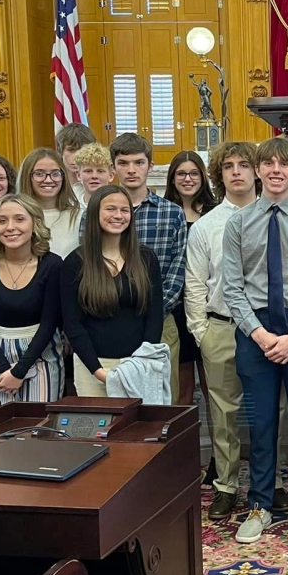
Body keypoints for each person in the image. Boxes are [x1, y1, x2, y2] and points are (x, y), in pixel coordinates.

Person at [222, 137, 288, 544]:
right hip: (255, 333)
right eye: (267, 164)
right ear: (257, 170)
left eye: (283, 164)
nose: (275, 171)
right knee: (261, 423)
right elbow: (233, 288)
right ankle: (260, 505)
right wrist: (262, 334)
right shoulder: (239, 222)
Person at [185, 141, 261, 520]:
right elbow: (196, 284)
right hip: (222, 328)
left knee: (271, 409)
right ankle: (227, 486)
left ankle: (272, 483)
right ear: (219, 176)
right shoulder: (206, 226)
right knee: (224, 413)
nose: (236, 172)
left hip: (266, 331)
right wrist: (202, 332)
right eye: (228, 166)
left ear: (257, 171)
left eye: (244, 165)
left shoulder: (274, 217)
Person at [62, 185, 164, 396]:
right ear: (94, 214)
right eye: (110, 209)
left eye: (124, 210)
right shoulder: (75, 263)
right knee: (97, 428)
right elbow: (72, 324)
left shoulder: (146, 258)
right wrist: (98, 371)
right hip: (93, 367)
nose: (118, 215)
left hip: (137, 366)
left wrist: (141, 362)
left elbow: (154, 316)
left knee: (138, 428)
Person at [108, 133, 187, 402]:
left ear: (150, 166)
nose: (131, 170)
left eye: (139, 162)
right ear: (113, 167)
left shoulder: (172, 213)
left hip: (161, 319)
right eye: (123, 163)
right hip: (112, 319)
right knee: (117, 400)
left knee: (163, 400)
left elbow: (178, 270)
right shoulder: (98, 213)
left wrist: (152, 311)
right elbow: (91, 266)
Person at [0, 193, 64, 402]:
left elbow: (50, 323)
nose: (10, 227)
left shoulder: (53, 265)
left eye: (19, 219)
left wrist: (19, 371)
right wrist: (4, 369)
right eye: (2, 221)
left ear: (34, 223)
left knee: (37, 429)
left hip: (39, 355)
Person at [164, 150, 216, 408]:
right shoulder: (164, 213)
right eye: (181, 173)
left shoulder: (216, 212)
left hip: (210, 308)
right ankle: (185, 447)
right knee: (181, 390)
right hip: (174, 310)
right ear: (172, 178)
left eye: (194, 173)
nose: (187, 179)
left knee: (213, 387)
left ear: (203, 177)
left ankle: (220, 448)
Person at [18, 148, 82, 258]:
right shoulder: (17, 217)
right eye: (39, 174)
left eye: (55, 173)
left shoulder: (79, 216)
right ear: (27, 177)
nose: (48, 180)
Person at [56, 123, 97, 204]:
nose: (76, 157)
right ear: (60, 151)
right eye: (71, 150)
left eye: (82, 150)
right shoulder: (54, 184)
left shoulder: (97, 182)